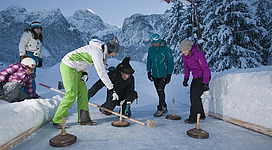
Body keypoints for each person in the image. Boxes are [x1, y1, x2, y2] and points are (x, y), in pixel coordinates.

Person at [52, 36, 120, 129]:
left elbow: (84, 60)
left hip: (78, 69)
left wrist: (85, 72)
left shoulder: (98, 50)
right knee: (71, 94)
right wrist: (111, 88)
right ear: (111, 49)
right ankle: (57, 119)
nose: (113, 55)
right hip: (69, 66)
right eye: (114, 53)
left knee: (83, 93)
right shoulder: (97, 52)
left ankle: (84, 119)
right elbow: (101, 72)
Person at [180, 40, 211, 124]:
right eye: (182, 50)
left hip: (203, 76)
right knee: (194, 96)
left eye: (185, 50)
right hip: (196, 77)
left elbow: (205, 69)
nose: (183, 52)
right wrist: (186, 78)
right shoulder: (185, 56)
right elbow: (186, 68)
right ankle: (201, 114)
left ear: (189, 49)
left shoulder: (198, 54)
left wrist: (205, 83)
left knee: (194, 96)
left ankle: (193, 117)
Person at [146, 33, 174, 117]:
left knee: (160, 89)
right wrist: (149, 71)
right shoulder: (151, 50)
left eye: (156, 43)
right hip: (155, 74)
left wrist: (169, 74)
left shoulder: (165, 49)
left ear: (159, 41)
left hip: (164, 74)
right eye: (153, 43)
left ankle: (160, 108)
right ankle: (164, 105)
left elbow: (170, 62)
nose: (155, 44)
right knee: (159, 91)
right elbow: (149, 61)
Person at [19, 21, 43, 98]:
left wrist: (40, 59)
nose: (39, 30)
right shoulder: (27, 34)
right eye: (37, 28)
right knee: (26, 74)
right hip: (28, 55)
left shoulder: (38, 37)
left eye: (40, 29)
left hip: (35, 57)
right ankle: (23, 93)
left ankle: (32, 92)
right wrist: (22, 56)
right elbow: (22, 44)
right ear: (33, 29)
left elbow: (39, 49)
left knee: (32, 75)